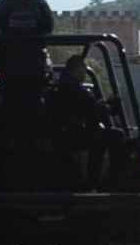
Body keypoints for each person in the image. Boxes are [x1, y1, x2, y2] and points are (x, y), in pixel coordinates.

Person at [0, 0, 54, 149]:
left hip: (11, 73)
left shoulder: (2, 6)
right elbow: (49, 29)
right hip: (37, 72)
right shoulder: (40, 5)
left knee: (4, 117)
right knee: (39, 114)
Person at [53, 55, 124, 189]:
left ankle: (93, 180)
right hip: (70, 134)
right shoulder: (71, 86)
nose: (85, 73)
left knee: (99, 139)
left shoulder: (65, 83)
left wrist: (104, 106)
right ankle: (114, 178)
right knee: (116, 135)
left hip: (65, 133)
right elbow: (91, 106)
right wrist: (109, 108)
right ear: (78, 68)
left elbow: (89, 105)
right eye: (84, 69)